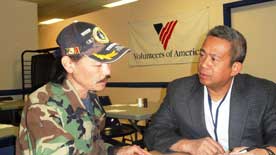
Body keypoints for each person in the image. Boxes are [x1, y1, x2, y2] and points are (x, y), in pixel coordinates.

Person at [16, 21, 151, 155]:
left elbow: (91, 146)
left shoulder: (90, 96)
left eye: (109, 62)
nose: (107, 72)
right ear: (69, 64)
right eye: (98, 64)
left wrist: (116, 151)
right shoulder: (43, 106)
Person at [144, 25, 276, 155]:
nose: (203, 64)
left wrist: (264, 152)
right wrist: (188, 145)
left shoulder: (263, 93)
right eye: (202, 55)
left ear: (235, 68)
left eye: (214, 59)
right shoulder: (179, 90)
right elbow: (154, 132)